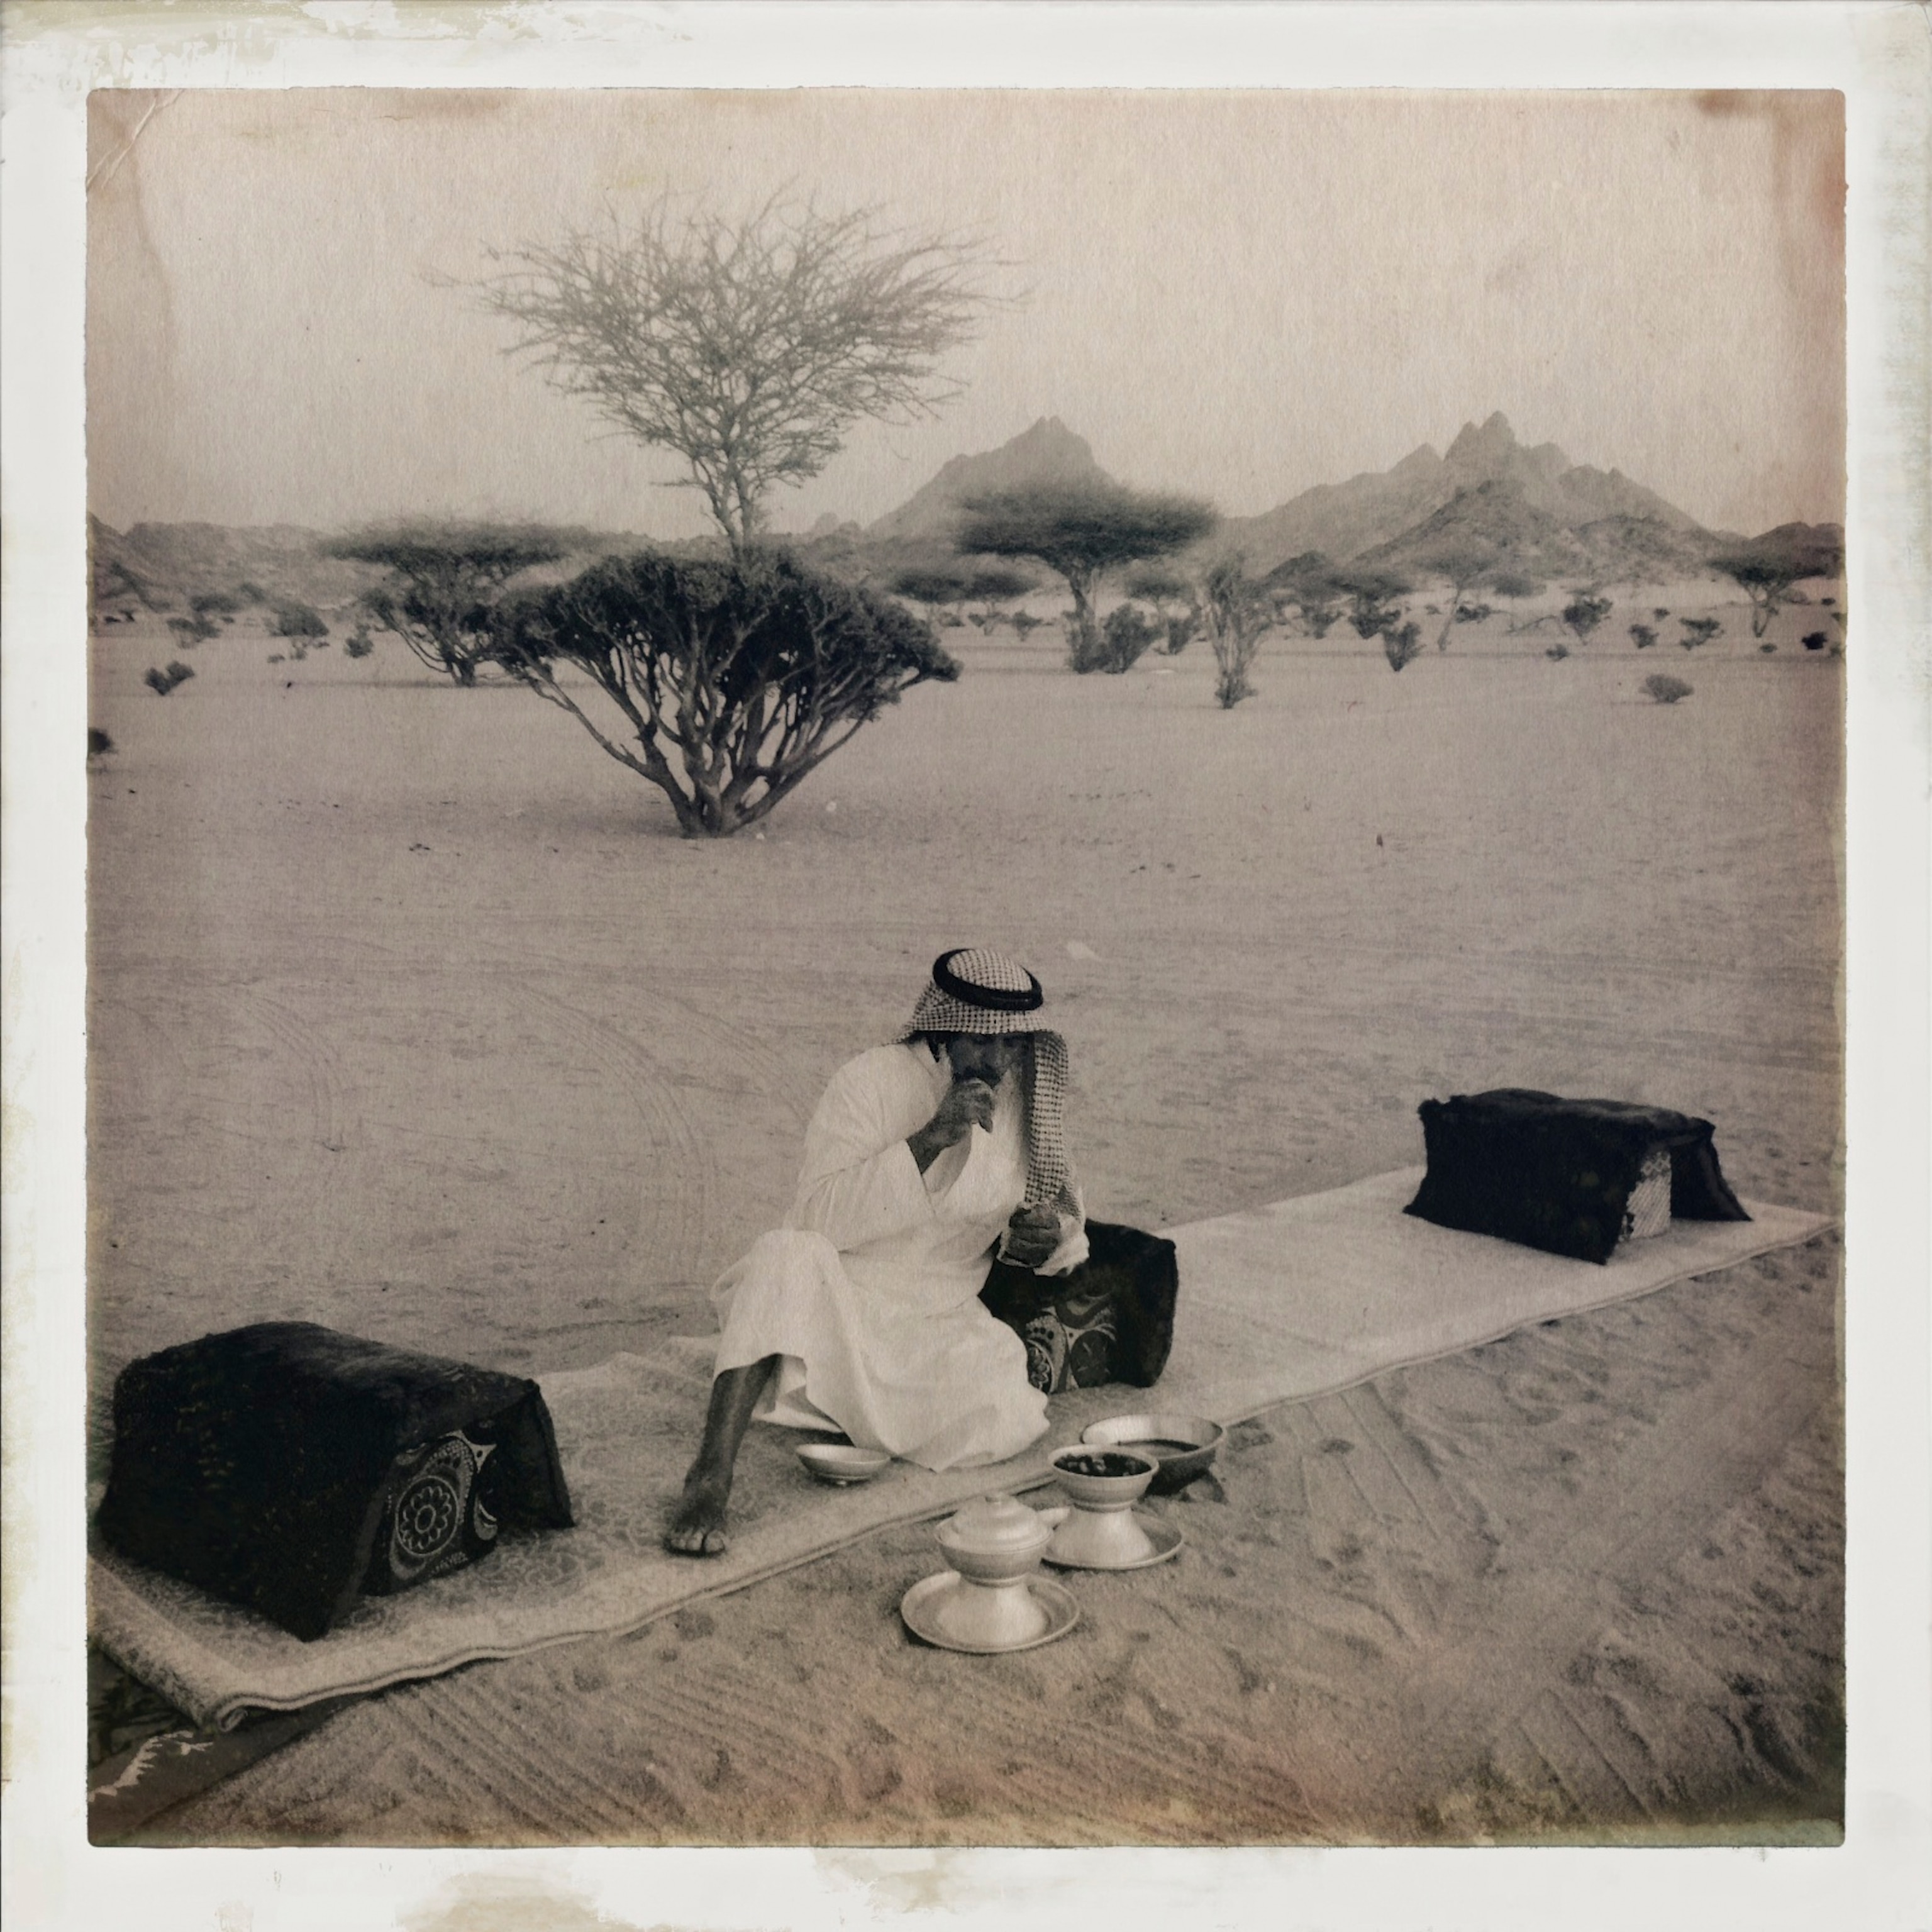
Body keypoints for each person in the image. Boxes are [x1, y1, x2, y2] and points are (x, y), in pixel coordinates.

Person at [665, 947, 1089, 1556]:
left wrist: (1051, 1240)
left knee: (1009, 1412)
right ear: (946, 1028)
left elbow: (1070, 1225)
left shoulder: (1025, 1100)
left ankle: (843, 1415)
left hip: (941, 1320)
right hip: (845, 1296)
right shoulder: (870, 1080)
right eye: (982, 1042)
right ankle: (710, 1474)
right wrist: (929, 1140)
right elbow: (816, 1218)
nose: (997, 1062)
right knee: (783, 1256)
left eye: (1012, 1043)